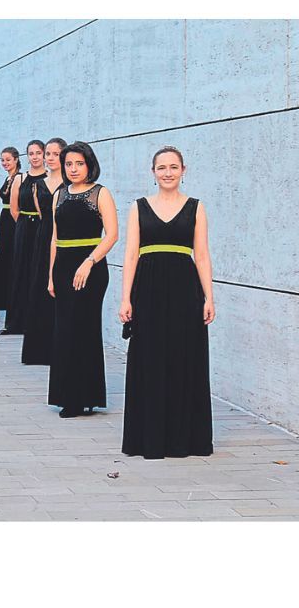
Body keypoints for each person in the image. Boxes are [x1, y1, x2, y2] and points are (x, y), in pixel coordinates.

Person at [120, 146, 214, 458]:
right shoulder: (138, 207)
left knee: (184, 359)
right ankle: (149, 438)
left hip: (186, 293)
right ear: (153, 172)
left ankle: (184, 438)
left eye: (174, 167)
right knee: (149, 360)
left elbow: (201, 255)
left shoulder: (196, 208)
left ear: (183, 170)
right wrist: (125, 298)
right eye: (162, 167)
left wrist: (209, 297)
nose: (168, 172)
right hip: (147, 292)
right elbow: (131, 255)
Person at [47, 141, 118, 418]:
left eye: (79, 163)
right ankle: (67, 395)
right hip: (63, 267)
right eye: (69, 164)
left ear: (89, 164)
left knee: (85, 329)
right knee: (64, 330)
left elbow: (112, 235)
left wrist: (89, 262)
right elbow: (55, 237)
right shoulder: (59, 194)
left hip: (91, 268)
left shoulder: (100, 193)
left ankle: (85, 397)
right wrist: (51, 275)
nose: (73, 169)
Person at [21, 138, 66, 365]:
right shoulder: (38, 185)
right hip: (43, 237)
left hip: (65, 239)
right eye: (47, 153)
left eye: (55, 154)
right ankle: (39, 349)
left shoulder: (71, 183)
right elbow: (41, 215)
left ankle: (59, 347)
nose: (50, 158)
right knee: (40, 288)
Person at [0, 140, 47, 335]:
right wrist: (26, 223)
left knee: (39, 272)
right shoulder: (20, 179)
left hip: (43, 227)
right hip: (24, 227)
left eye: (38, 153)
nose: (35, 157)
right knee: (20, 272)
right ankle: (16, 322)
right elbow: (13, 209)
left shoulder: (50, 178)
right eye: (31, 153)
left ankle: (38, 321)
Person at [0, 147, 21, 314]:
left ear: (16, 159)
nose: (5, 163)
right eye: (2, 160)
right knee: (3, 259)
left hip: (13, 220)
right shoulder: (8, 177)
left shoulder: (19, 178)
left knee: (12, 258)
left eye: (8, 160)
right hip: (4, 219)